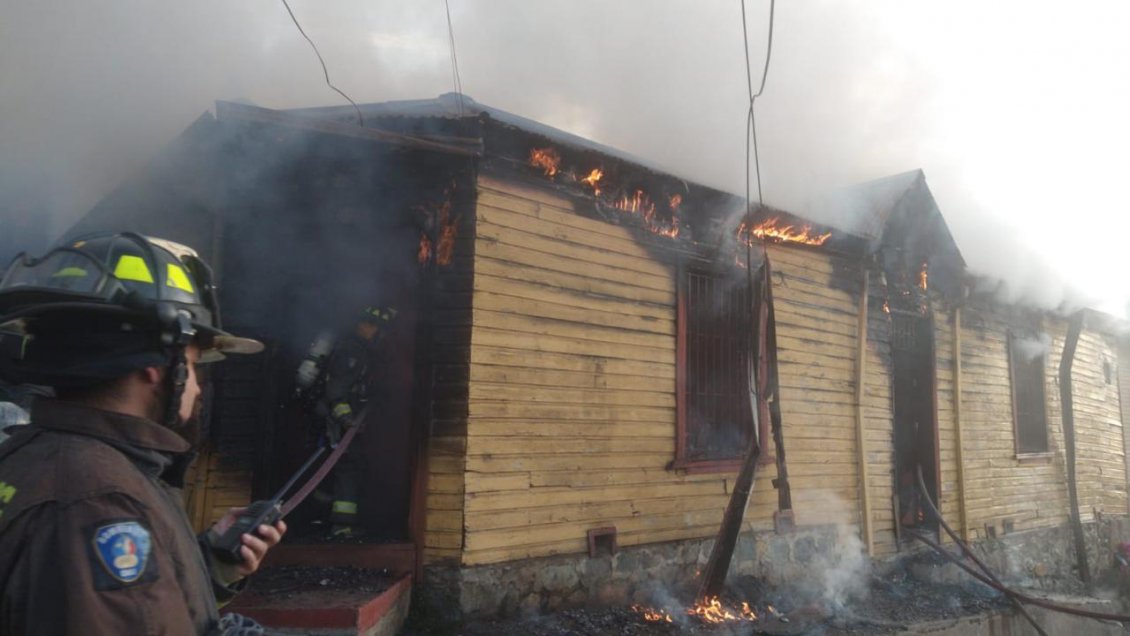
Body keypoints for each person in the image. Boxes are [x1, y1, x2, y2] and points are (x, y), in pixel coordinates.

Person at [0, 233, 285, 635]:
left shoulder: (31, 455)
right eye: (193, 363)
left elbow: (121, 607)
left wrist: (213, 565)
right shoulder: (98, 503)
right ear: (157, 365)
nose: (199, 387)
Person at [295, 305, 395, 537]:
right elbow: (335, 392)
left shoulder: (360, 350)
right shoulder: (351, 352)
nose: (375, 331)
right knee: (348, 468)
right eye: (372, 325)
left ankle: (319, 516)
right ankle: (342, 526)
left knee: (333, 469)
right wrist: (347, 419)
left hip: (335, 419)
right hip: (334, 421)